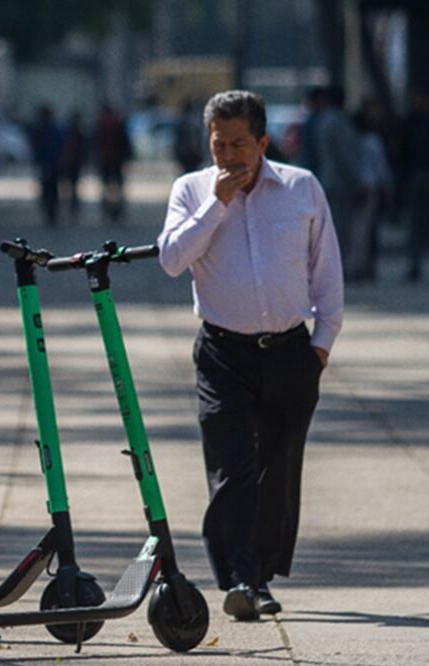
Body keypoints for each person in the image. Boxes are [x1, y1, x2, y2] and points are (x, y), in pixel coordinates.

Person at [156, 90, 344, 621]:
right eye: (219, 144)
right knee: (232, 466)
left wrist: (321, 347)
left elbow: (326, 272)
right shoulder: (191, 190)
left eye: (240, 143)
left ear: (263, 142)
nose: (229, 156)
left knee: (277, 473)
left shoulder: (301, 188)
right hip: (222, 353)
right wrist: (216, 204)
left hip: (290, 351)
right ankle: (239, 578)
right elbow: (171, 259)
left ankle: (258, 576)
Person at [312, 86, 361, 277]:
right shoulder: (339, 122)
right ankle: (336, 271)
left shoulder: (322, 121)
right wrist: (355, 180)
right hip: (340, 182)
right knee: (339, 227)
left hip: (326, 178)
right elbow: (345, 156)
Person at [348, 98, 393, 282]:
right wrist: (389, 188)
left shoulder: (352, 140)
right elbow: (382, 167)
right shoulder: (372, 141)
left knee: (355, 228)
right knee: (363, 230)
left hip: (356, 186)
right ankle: (359, 265)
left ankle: (356, 265)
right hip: (370, 186)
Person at [399, 85, 429, 282]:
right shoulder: (409, 123)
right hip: (415, 175)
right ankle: (414, 266)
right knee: (415, 224)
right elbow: (402, 153)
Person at [94, 103, 133, 223]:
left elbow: (95, 143)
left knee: (106, 187)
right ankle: (118, 211)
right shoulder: (118, 124)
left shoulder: (100, 125)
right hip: (117, 160)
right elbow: (125, 143)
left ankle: (106, 211)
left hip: (104, 160)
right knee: (118, 188)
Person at [30, 104, 63, 226]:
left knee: (49, 189)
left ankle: (51, 212)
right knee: (50, 189)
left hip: (49, 163)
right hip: (50, 163)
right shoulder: (52, 129)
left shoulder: (43, 129)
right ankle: (51, 213)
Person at [60, 110, 86, 219]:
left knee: (70, 186)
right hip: (73, 163)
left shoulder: (69, 132)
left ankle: (70, 206)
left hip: (70, 163)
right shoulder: (79, 133)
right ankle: (72, 206)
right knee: (72, 186)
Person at [174, 98, 204, 174]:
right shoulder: (196, 122)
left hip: (186, 154)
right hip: (193, 154)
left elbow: (178, 139)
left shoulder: (181, 121)